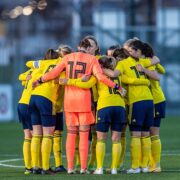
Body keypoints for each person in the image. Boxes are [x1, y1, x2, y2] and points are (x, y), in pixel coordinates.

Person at [33, 38, 125, 174]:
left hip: (69, 101)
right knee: (83, 135)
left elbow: (53, 74)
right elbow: (101, 78)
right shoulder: (91, 59)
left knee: (71, 134)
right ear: (88, 49)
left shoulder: (67, 58)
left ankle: (70, 168)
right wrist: (116, 86)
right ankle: (83, 168)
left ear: (78, 46)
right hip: (83, 100)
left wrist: (39, 80)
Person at [28, 49, 60, 175]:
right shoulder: (60, 62)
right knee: (48, 135)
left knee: (36, 135)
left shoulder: (42, 64)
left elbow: (28, 63)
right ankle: (45, 168)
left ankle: (36, 167)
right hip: (46, 98)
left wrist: (38, 63)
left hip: (34, 97)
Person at [136, 42, 166, 173]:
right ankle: (149, 163)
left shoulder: (145, 61)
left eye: (131, 50)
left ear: (139, 51)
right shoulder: (148, 61)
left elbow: (158, 74)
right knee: (146, 132)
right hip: (148, 100)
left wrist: (145, 67)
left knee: (153, 133)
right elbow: (162, 68)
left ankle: (155, 164)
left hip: (155, 100)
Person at [18, 68, 41, 175]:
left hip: (21, 103)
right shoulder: (42, 70)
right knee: (36, 136)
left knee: (27, 137)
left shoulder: (32, 70)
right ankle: (37, 166)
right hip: (29, 104)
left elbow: (21, 77)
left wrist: (25, 79)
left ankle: (28, 167)